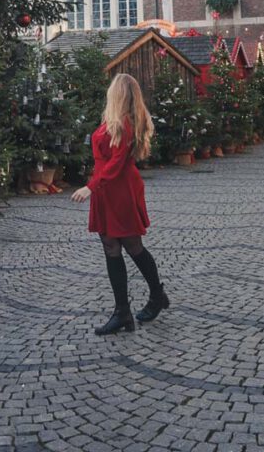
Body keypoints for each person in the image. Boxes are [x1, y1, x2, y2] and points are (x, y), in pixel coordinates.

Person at [71, 72, 169, 335]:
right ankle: (122, 312)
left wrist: (89, 187)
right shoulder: (115, 121)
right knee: (111, 246)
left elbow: (114, 164)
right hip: (107, 189)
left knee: (132, 245)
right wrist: (95, 186)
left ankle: (155, 295)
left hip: (118, 190)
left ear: (118, 95)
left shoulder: (126, 123)